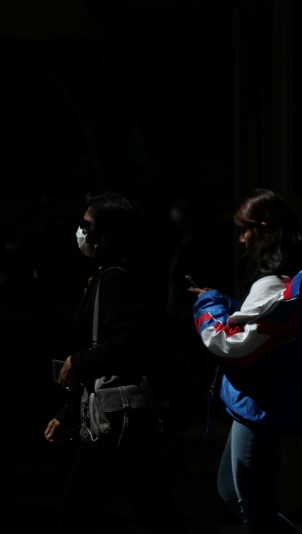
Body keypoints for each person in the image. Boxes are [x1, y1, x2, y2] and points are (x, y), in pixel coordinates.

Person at [43, 191, 185, 533]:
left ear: (106, 232)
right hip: (124, 419)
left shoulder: (115, 279)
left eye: (86, 225)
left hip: (114, 420)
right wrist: (67, 413)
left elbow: (128, 342)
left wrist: (79, 362)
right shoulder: (110, 275)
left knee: (76, 511)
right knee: (154, 509)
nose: (80, 231)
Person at [188, 188, 302, 533]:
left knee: (254, 506)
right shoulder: (291, 281)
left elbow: (229, 342)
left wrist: (210, 304)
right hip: (259, 404)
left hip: (259, 407)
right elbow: (261, 327)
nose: (241, 239)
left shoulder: (272, 284)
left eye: (245, 230)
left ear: (264, 230)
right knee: (234, 494)